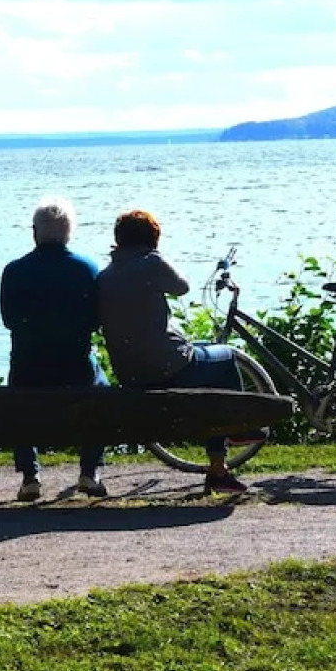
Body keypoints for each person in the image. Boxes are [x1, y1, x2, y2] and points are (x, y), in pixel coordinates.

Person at [96, 209, 264, 494]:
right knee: (226, 357)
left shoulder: (105, 276)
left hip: (131, 373)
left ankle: (219, 468)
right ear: (153, 239)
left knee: (203, 353)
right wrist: (159, 258)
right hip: (167, 366)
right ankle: (236, 429)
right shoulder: (151, 262)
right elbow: (182, 287)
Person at [0, 196, 108, 501]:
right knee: (102, 391)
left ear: (35, 232)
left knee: (18, 395)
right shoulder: (87, 268)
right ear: (69, 232)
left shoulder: (14, 270)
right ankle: (90, 471)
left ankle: (31, 476)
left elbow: (9, 321)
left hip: (28, 370)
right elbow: (96, 320)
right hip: (76, 370)